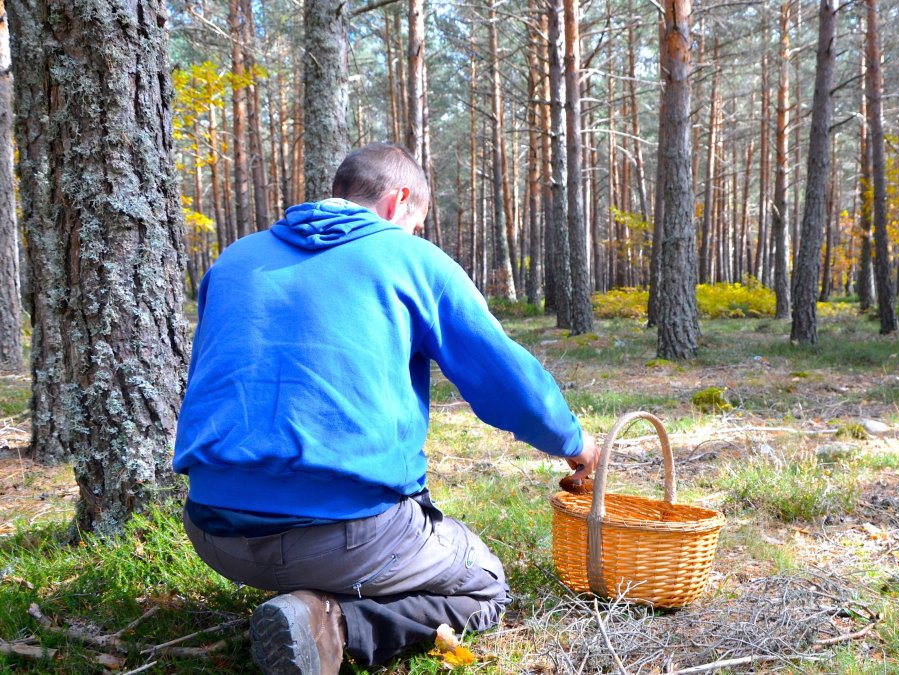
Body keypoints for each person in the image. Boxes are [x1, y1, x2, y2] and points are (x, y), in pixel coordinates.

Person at [173, 142, 598, 674]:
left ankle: (306, 598)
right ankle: (330, 625)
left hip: (214, 530)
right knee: (485, 582)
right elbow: (508, 384)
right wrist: (575, 443)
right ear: (399, 202)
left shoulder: (235, 258)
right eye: (416, 225)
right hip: (344, 535)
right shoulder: (411, 259)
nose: (414, 237)